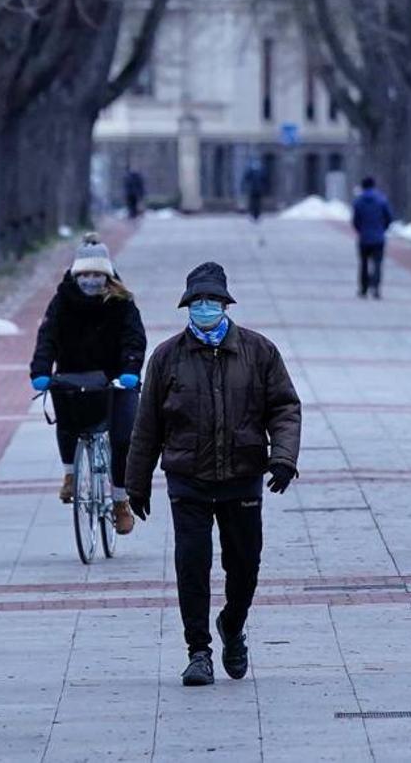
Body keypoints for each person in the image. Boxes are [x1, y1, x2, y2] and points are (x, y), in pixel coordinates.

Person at [126, 262, 301, 687]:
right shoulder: (167, 357)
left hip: (242, 475)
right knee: (192, 565)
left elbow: (284, 407)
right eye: (197, 302)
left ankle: (233, 624)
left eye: (212, 301)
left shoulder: (259, 351)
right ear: (187, 307)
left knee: (244, 565)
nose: (204, 308)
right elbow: (147, 424)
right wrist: (136, 482)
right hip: (189, 479)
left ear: (225, 304)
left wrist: (283, 457)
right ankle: (198, 651)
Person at [29, 234, 147, 533]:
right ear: (75, 274)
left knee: (123, 437)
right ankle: (70, 473)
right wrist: (40, 370)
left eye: (97, 274)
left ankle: (120, 500)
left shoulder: (122, 302)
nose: (91, 280)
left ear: (107, 274)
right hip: (72, 377)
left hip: (116, 380)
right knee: (68, 422)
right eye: (85, 274)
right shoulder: (62, 301)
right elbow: (48, 338)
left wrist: (131, 370)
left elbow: (134, 339)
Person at [351, 176, 395, 299]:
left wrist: (361, 230)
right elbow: (389, 217)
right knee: (377, 263)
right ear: (374, 185)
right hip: (378, 238)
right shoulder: (382, 200)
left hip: (364, 238)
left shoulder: (358, 201)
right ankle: (376, 288)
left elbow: (355, 220)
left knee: (363, 263)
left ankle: (363, 289)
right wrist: (382, 229)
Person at [242, 159, 267, 223]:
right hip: (258, 189)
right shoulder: (261, 171)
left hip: (254, 189)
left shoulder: (252, 171)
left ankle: (254, 214)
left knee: (254, 203)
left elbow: (246, 178)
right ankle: (256, 215)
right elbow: (264, 179)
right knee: (256, 203)